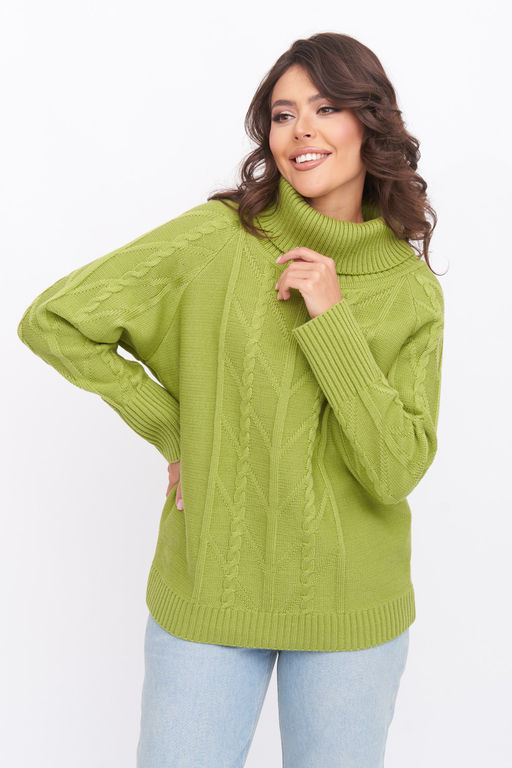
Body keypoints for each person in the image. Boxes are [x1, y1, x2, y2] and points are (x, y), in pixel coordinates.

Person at [17, 31, 445, 768]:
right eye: (283, 114)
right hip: (212, 583)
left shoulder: (410, 291)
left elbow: (395, 470)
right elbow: (53, 321)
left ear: (370, 123)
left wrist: (331, 318)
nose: (301, 130)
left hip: (350, 604)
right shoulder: (218, 238)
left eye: (327, 107)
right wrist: (175, 431)